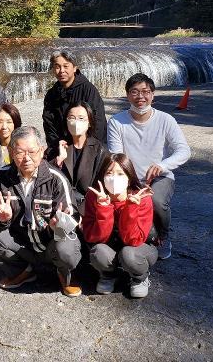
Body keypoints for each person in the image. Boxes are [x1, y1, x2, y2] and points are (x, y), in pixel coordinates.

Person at [0, 126, 82, 297]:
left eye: (32, 151)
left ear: (42, 151)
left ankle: (64, 274)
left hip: (50, 242)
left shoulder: (56, 179)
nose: (26, 158)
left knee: (68, 246)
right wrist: (0, 218)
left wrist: (57, 225)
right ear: (12, 152)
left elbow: (72, 216)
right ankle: (23, 271)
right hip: (22, 242)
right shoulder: (1, 177)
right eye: (20, 152)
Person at [106, 73, 191, 260]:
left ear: (153, 94)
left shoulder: (165, 120)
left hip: (160, 176)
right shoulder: (116, 122)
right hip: (128, 176)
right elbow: (117, 156)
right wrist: (131, 180)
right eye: (134, 92)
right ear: (127, 95)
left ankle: (163, 236)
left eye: (145, 91)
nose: (140, 97)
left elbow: (184, 151)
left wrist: (162, 165)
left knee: (157, 202)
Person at [83, 153, 156, 297]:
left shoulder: (141, 197)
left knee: (128, 254)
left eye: (120, 174)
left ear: (129, 178)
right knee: (98, 252)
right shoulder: (94, 196)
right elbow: (94, 237)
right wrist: (103, 208)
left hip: (139, 248)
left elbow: (133, 240)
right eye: (109, 173)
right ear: (102, 177)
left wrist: (131, 208)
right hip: (110, 245)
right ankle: (109, 275)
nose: (114, 178)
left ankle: (139, 277)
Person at [42, 49, 107, 160]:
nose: (61, 70)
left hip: (89, 149)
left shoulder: (88, 90)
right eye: (57, 67)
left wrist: (89, 148)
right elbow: (49, 125)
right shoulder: (51, 94)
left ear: (74, 68)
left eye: (66, 66)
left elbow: (98, 122)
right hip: (62, 148)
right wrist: (58, 146)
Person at [53, 101, 109, 217]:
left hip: (90, 211)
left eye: (81, 118)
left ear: (89, 122)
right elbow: (47, 178)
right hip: (61, 210)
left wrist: (83, 214)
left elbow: (101, 186)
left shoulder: (100, 151)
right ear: (66, 121)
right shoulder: (57, 147)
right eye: (71, 118)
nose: (76, 122)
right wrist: (58, 160)